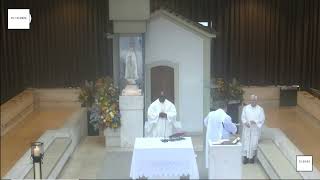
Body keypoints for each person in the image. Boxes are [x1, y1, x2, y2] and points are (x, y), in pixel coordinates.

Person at [204, 103, 237, 168]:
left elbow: (205, 122)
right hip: (221, 141)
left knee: (212, 158)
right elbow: (232, 128)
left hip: (210, 140)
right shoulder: (226, 116)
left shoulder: (211, 114)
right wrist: (234, 127)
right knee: (221, 160)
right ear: (225, 108)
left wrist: (212, 128)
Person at [241, 94, 265, 164]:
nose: (253, 101)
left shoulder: (260, 109)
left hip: (255, 129)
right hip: (247, 128)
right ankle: (245, 158)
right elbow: (243, 117)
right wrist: (245, 123)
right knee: (246, 143)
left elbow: (262, 119)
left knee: (253, 144)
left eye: (254, 100)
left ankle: (252, 158)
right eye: (252, 100)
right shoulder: (246, 108)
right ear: (250, 100)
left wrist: (256, 122)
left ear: (256, 101)